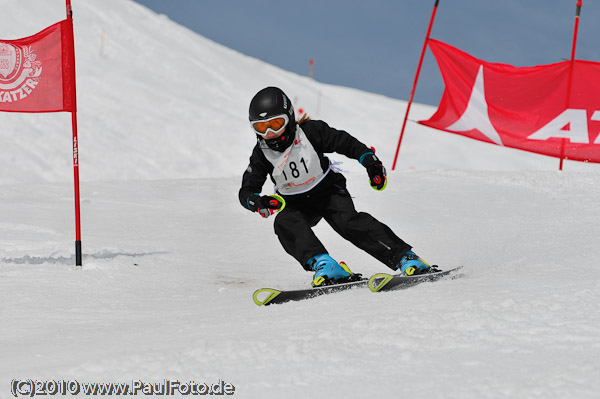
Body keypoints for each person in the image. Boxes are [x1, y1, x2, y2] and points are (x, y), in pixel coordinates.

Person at [239, 86, 431, 287]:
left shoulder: (310, 133)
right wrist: (257, 201)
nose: (270, 133)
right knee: (284, 222)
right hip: (295, 203)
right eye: (261, 127)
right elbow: (246, 190)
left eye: (276, 124)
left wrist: (371, 162)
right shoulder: (261, 153)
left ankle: (406, 258)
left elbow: (346, 143)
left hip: (328, 192)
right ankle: (326, 265)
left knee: (348, 222)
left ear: (289, 118)